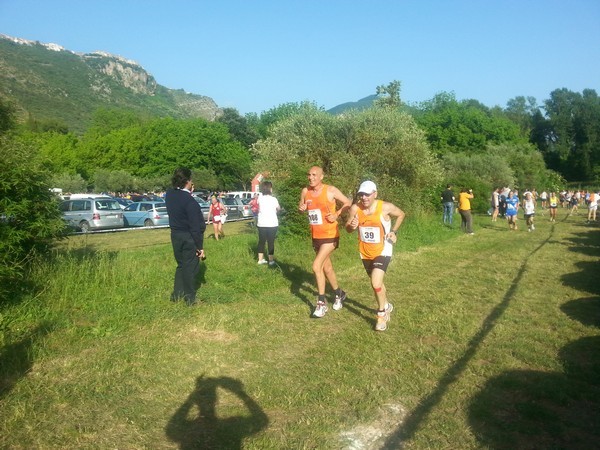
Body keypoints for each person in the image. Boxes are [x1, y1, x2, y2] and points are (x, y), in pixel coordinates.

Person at [345, 181, 405, 331]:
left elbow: (401, 214)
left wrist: (394, 232)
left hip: (383, 249)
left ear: (375, 194)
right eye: (361, 194)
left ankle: (381, 315)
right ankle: (386, 305)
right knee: (377, 284)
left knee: (376, 283)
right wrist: (351, 226)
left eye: (367, 194)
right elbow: (348, 228)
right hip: (365, 252)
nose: (364, 197)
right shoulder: (355, 208)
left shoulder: (385, 207)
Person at [298, 166, 351, 318]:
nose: (311, 177)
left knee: (316, 266)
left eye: (314, 175)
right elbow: (301, 207)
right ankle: (339, 294)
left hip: (330, 235)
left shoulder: (330, 190)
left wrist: (337, 214)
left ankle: (321, 303)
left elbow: (348, 202)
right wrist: (301, 209)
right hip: (316, 235)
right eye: (309, 175)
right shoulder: (305, 191)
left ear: (322, 176)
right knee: (327, 268)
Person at [165, 167, 206, 306]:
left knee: (181, 265)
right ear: (187, 181)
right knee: (190, 267)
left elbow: (178, 196)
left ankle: (176, 295)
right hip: (188, 235)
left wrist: (188, 193)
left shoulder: (169, 195)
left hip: (175, 234)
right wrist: (200, 247)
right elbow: (195, 226)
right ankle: (190, 298)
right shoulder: (190, 201)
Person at [256, 181, 281, 266]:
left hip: (261, 223)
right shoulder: (274, 199)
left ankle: (260, 260)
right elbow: (278, 209)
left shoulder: (260, 198)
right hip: (272, 224)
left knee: (261, 242)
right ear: (270, 189)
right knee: (271, 242)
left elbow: (258, 207)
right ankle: (271, 261)